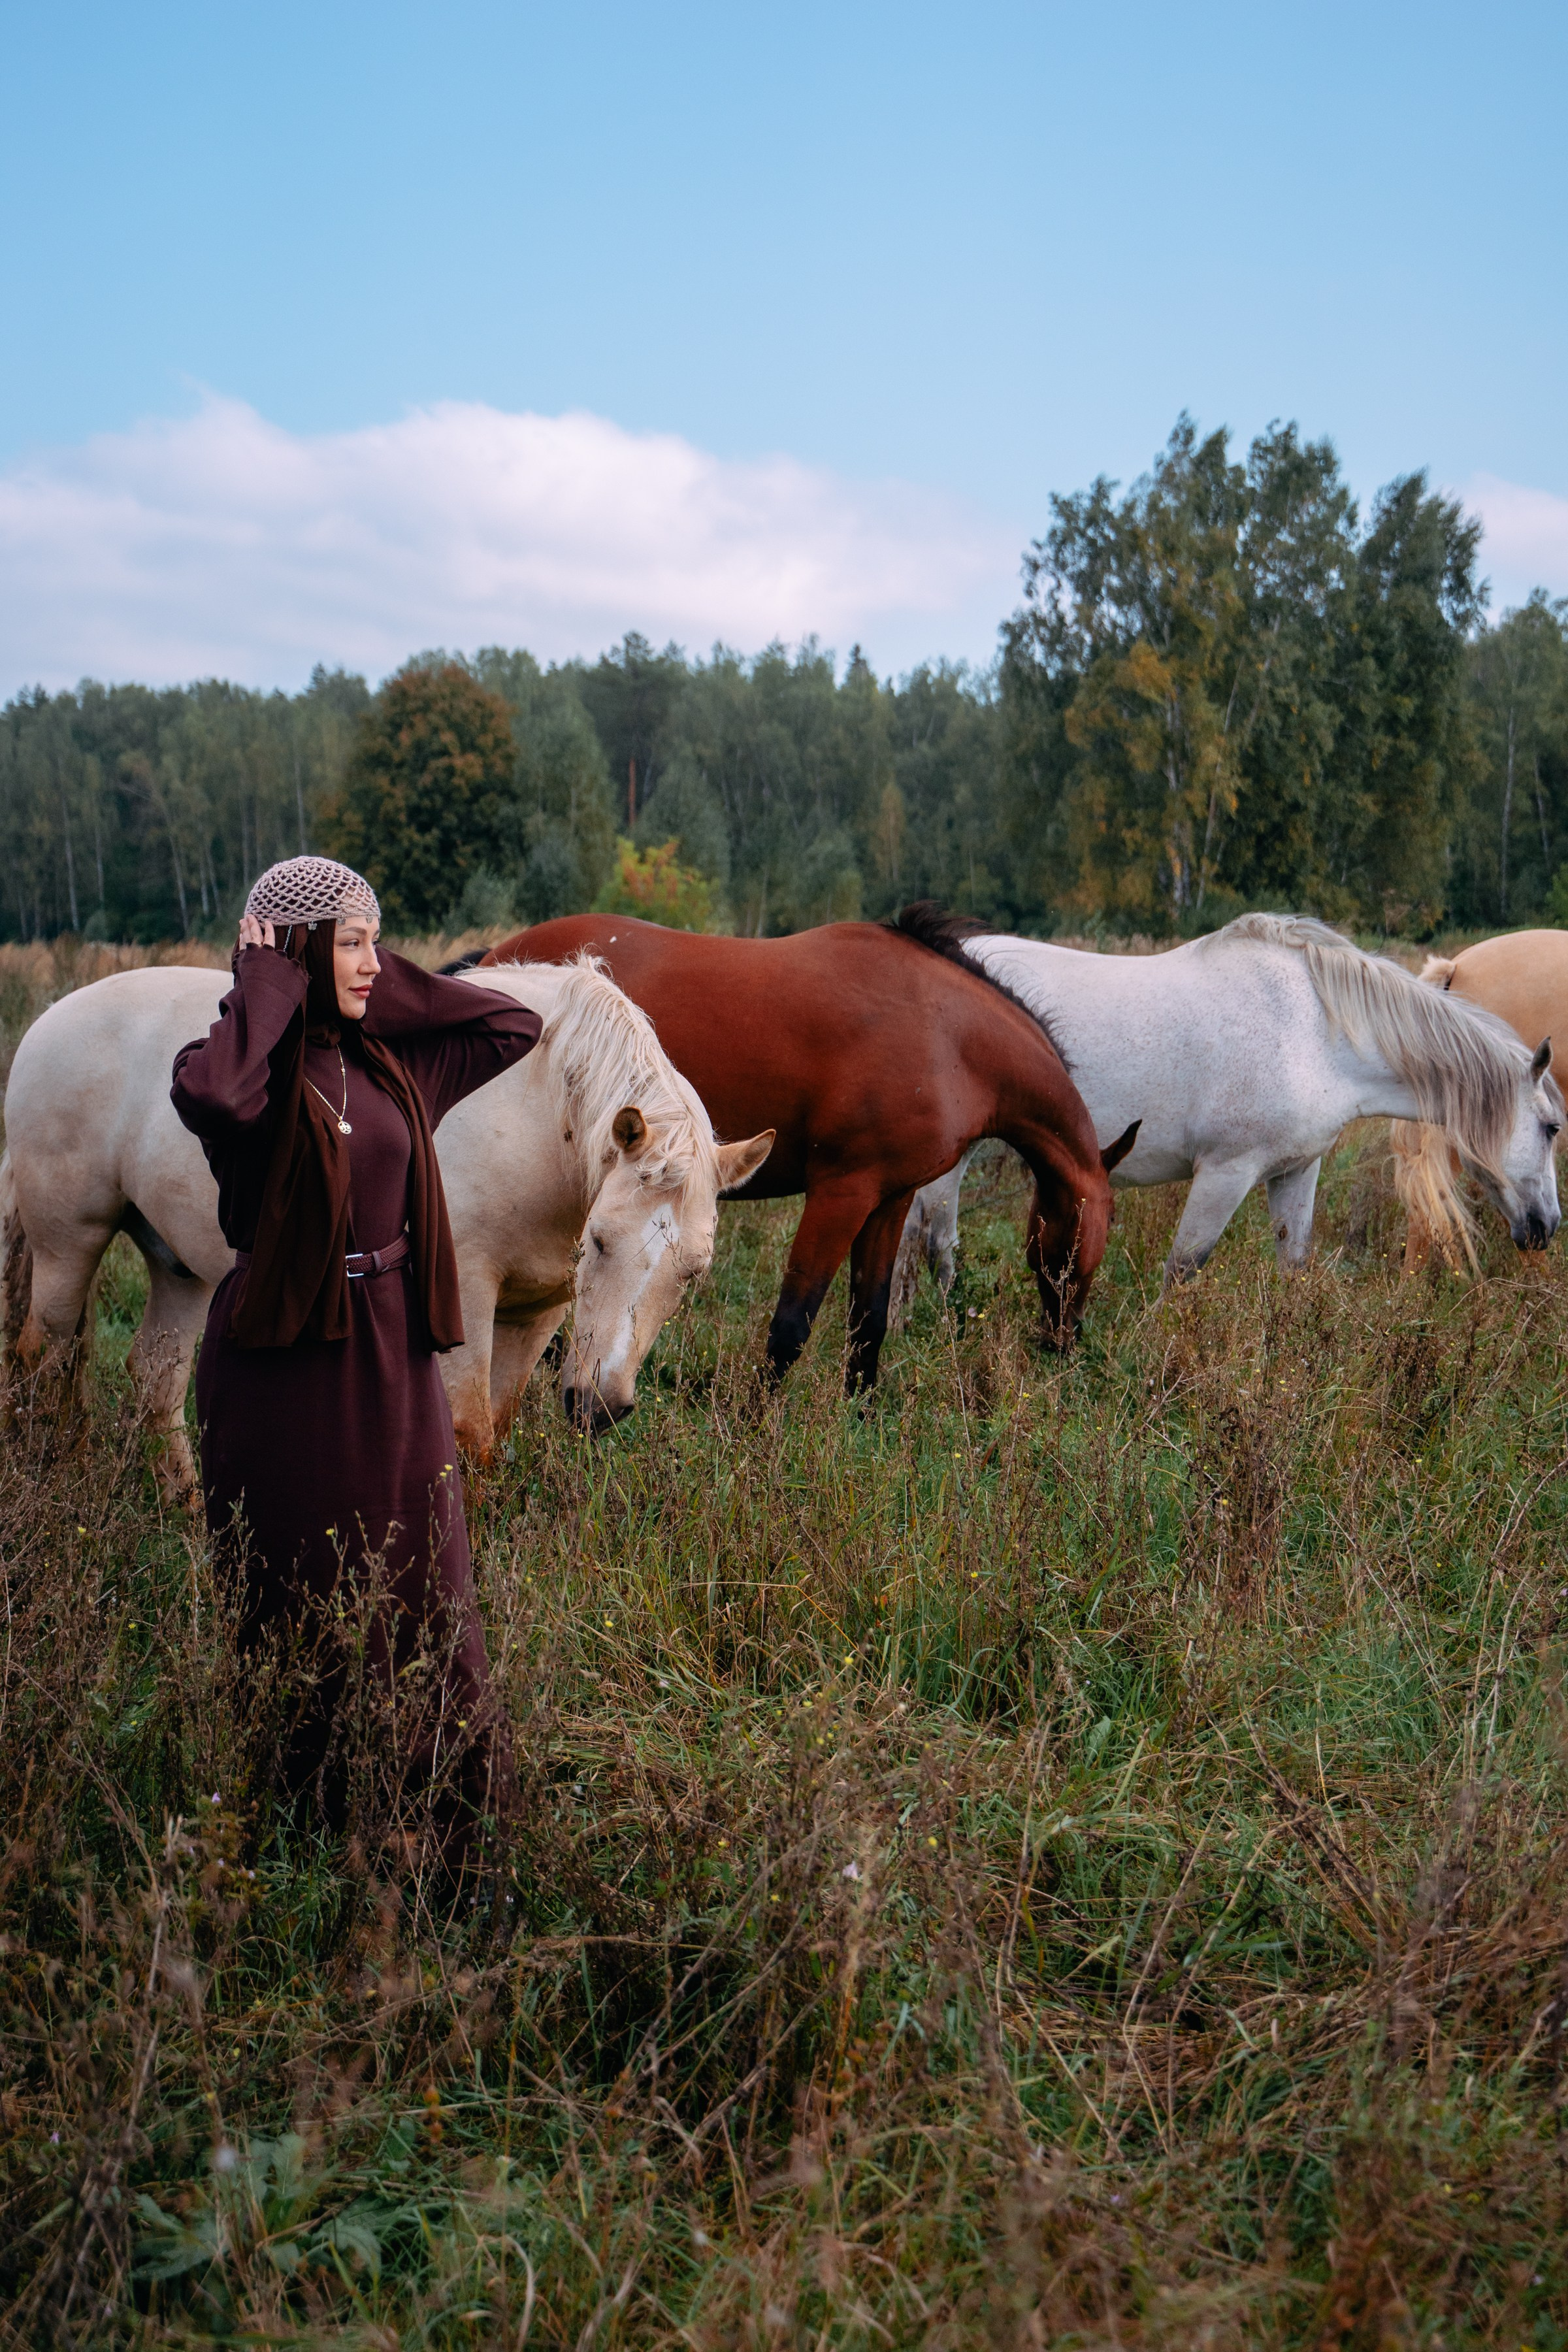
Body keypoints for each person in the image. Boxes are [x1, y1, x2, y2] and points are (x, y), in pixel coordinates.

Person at [171, 856, 542, 1865]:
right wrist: (270, 988)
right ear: (292, 953)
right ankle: (307, 1822)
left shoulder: (395, 1066)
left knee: (426, 1581)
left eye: (378, 940)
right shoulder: (240, 1064)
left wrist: (373, 978)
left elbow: (513, 1026)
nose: (374, 961)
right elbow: (214, 1098)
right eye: (351, 942)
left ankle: (434, 1816)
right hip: (278, 1360)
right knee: (295, 1587)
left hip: (389, 1347)